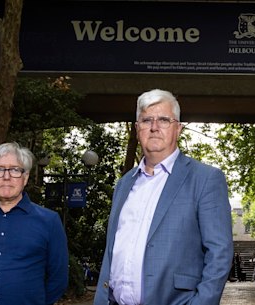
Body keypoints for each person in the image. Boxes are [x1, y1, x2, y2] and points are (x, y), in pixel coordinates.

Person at [94, 89, 233, 305]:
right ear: (137, 128)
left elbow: (220, 253)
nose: (154, 127)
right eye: (146, 120)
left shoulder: (205, 179)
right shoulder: (124, 184)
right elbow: (112, 251)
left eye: (164, 120)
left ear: (178, 129)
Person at [0, 142, 69, 305]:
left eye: (14, 170)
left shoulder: (50, 221)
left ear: (25, 177)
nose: (6, 176)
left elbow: (58, 278)